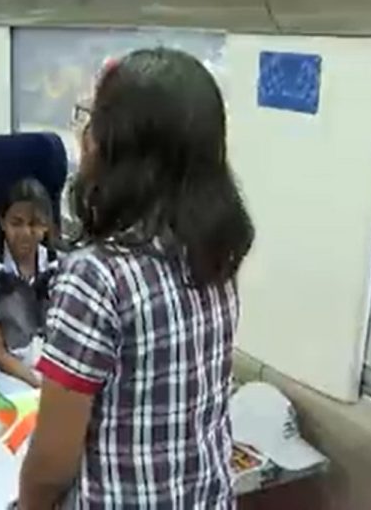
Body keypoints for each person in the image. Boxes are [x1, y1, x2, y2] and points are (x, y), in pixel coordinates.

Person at [17, 48, 255, 509]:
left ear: (115, 147)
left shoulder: (96, 276)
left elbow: (52, 462)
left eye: (92, 119)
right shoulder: (214, 252)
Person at [0, 178, 59, 396]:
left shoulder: (64, 266)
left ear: (46, 225)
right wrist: (38, 383)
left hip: (54, 367)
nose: (25, 232)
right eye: (16, 223)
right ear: (2, 222)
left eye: (34, 224)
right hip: (6, 372)